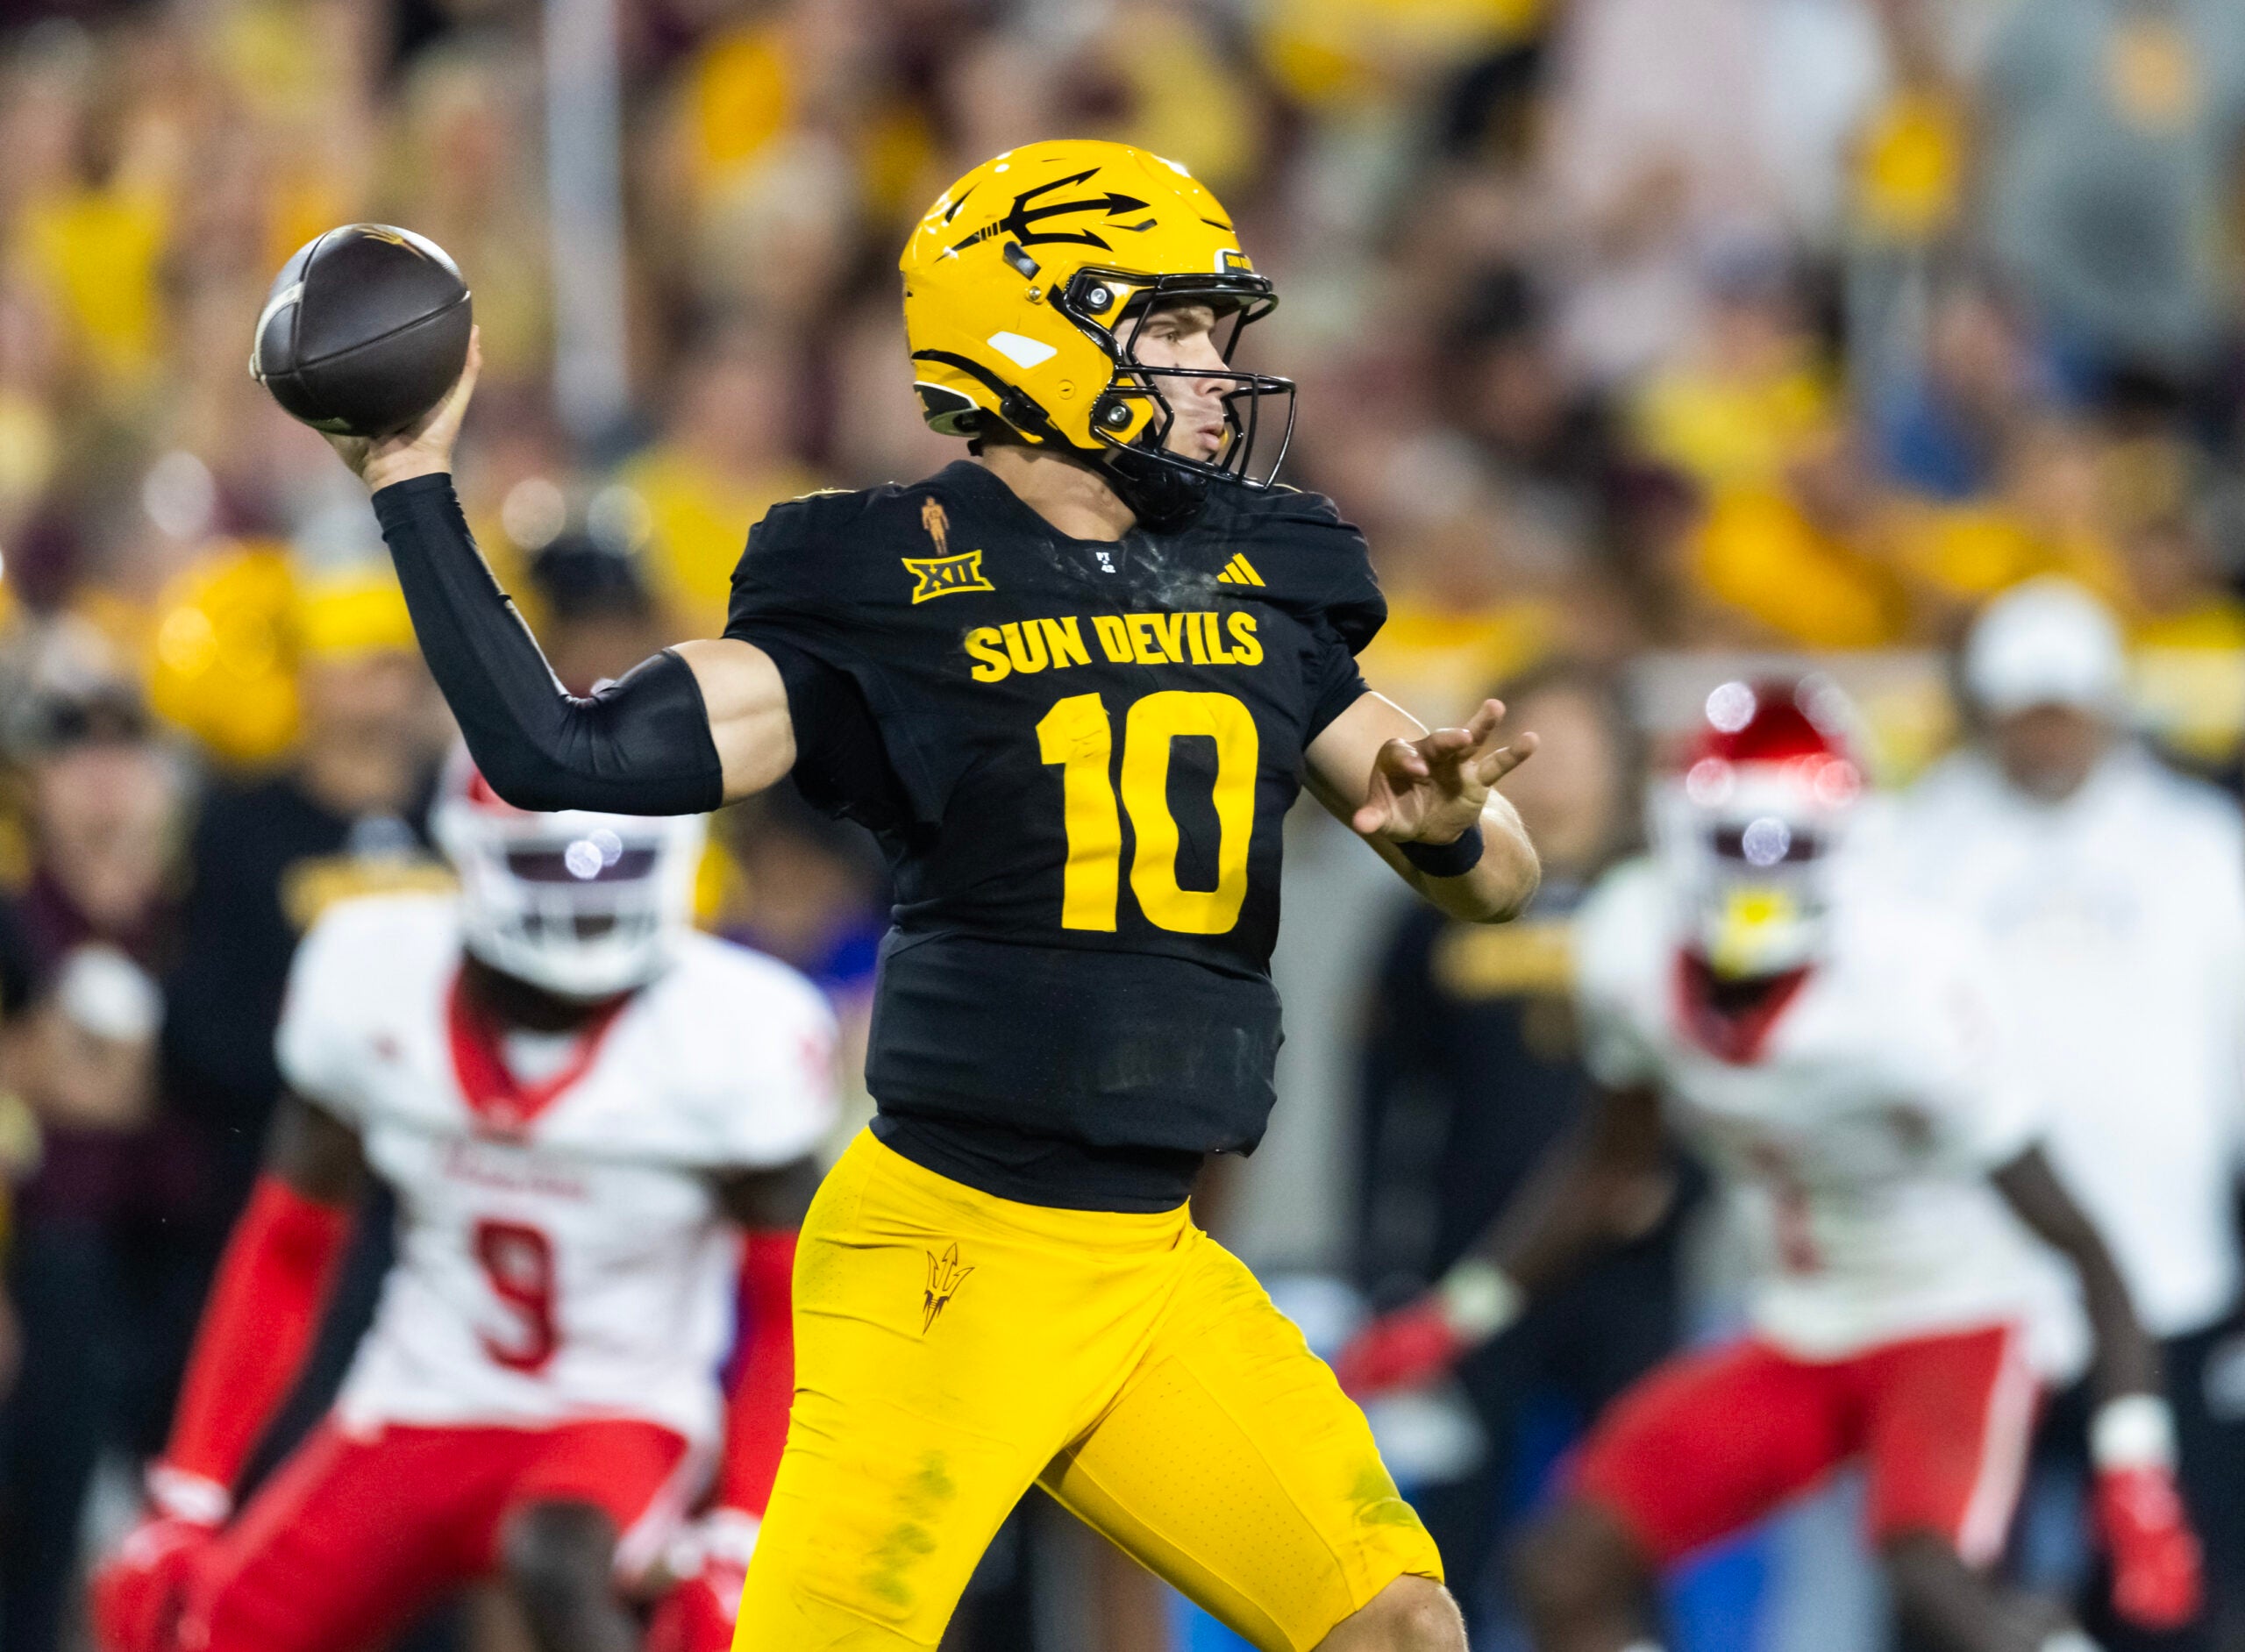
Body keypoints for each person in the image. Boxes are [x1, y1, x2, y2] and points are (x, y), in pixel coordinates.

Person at [322, 139, 1543, 1650]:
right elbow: (560, 746)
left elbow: (1498, 876)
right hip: (952, 1260)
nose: (1214, 375)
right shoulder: (889, 578)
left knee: (1402, 1626)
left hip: (1152, 1258)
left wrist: (1442, 829)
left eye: (1212, 336)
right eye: (1167, 331)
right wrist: (411, 481)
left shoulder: (1261, 570)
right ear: (1032, 328)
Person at [1338, 678, 2199, 1652]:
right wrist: (1460, 1313)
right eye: (1732, 843)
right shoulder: (1630, 943)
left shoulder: (1909, 987)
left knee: (1932, 1588)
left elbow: (2083, 1243)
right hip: (1799, 1326)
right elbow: (1607, 1171)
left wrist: (2137, 1467)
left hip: (1950, 1320)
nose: (1756, 876)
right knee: (1563, 1568)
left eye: (1787, 845)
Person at [89, 758, 836, 1652]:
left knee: (558, 1562)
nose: (582, 899)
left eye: (610, 868)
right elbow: (288, 1242)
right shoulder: (375, 981)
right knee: (197, 1631)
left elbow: (788, 1305)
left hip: (621, 1413)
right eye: (550, 868)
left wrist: (739, 1532)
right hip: (418, 1396)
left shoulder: (729, 1033)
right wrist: (188, 1491)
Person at [1897, 577, 2245, 1650]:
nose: (2046, 733)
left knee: (2164, 1593)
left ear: (2104, 705)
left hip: (2165, 1275)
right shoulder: (1916, 844)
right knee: (1949, 1587)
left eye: (2065, 706)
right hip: (1967, 1282)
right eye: (2025, 708)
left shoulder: (2200, 847)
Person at [1351, 662, 1688, 1634]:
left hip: (1627, 1269)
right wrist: (1381, 1269)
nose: (1553, 774)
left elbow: (1716, 1077)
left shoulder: (1669, 905)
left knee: (1625, 1535)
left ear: (1622, 766)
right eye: (1535, 746)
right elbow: (1382, 1100)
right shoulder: (1428, 908)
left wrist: (1687, 1193)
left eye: (1577, 746)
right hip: (1473, 1265)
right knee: (1455, 1536)